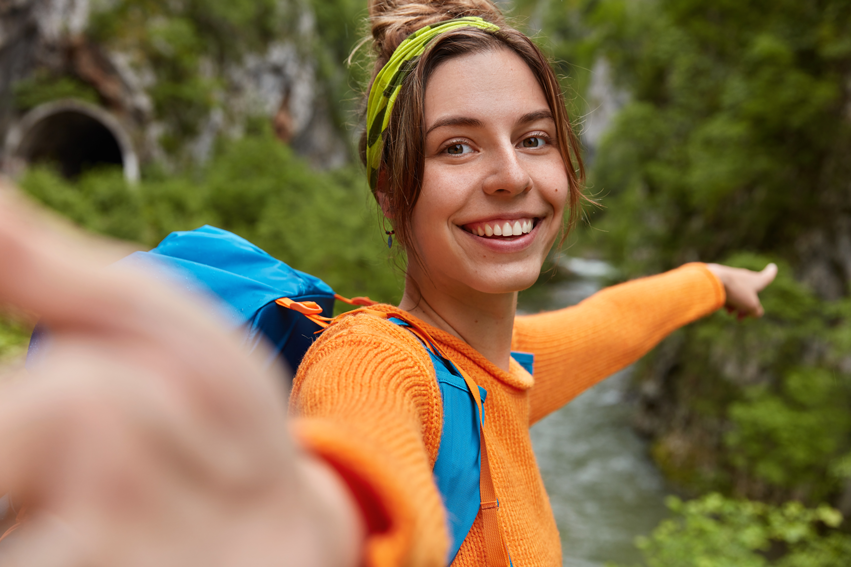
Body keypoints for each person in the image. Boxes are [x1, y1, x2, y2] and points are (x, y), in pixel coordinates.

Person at [0, 1, 776, 566]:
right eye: (457, 148)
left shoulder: (505, 363)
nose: (511, 175)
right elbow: (370, 486)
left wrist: (713, 281)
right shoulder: (373, 362)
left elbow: (614, 320)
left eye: (533, 138)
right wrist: (312, 524)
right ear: (392, 194)